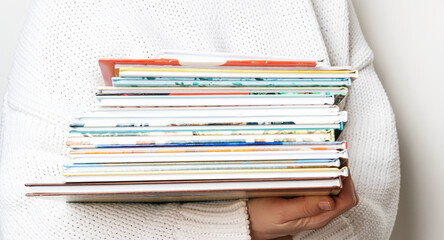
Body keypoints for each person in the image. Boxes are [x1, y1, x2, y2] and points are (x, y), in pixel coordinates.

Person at [0, 0, 400, 239]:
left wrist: (320, 215)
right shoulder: (68, 13)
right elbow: (26, 219)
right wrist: (238, 227)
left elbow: (374, 190)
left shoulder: (319, 7)